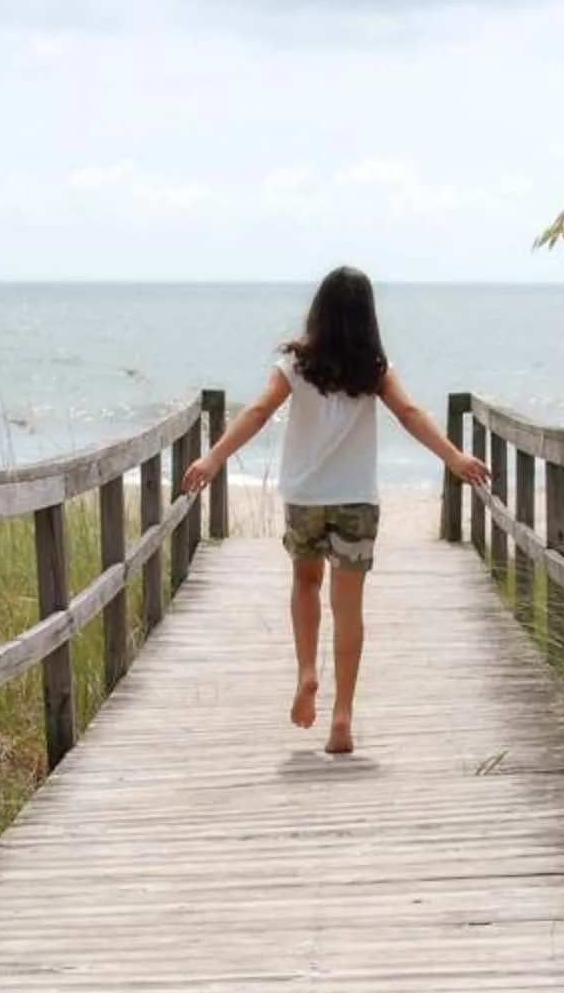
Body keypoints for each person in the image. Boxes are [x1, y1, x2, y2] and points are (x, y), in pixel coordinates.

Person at [182, 265, 489, 756]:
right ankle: (342, 716)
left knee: (306, 583)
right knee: (349, 607)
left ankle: (307, 671)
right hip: (356, 500)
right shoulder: (374, 369)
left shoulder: (296, 365)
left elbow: (257, 412)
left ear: (319, 310)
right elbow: (410, 414)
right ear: (368, 315)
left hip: (305, 497)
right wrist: (454, 457)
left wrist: (213, 458)